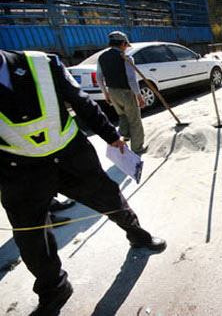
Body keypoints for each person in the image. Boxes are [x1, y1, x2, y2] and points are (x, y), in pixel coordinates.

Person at [0, 49, 166, 315]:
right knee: (30, 240)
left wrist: (111, 135)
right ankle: (54, 288)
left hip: (71, 158)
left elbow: (81, 101)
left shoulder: (41, 63)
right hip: (19, 171)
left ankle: (138, 235)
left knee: (111, 199)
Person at [97, 31, 147, 154]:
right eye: (126, 45)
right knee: (135, 120)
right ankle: (137, 148)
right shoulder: (126, 58)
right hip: (125, 92)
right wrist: (139, 96)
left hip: (112, 92)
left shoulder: (101, 57)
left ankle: (121, 144)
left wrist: (106, 94)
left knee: (123, 116)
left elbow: (99, 77)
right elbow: (131, 79)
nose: (126, 48)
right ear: (123, 43)